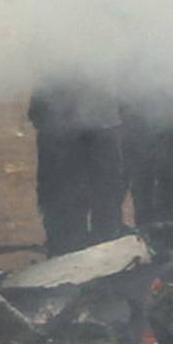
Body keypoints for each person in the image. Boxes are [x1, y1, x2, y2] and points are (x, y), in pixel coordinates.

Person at [27, 77, 127, 255]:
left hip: (95, 119)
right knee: (64, 199)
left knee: (104, 197)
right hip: (63, 121)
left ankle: (102, 253)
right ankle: (68, 251)